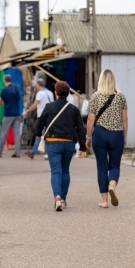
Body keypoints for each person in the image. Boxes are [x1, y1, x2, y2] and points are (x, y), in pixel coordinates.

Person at [35, 81, 87, 211]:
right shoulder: (74, 109)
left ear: (56, 93)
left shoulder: (49, 107)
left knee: (56, 170)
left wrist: (38, 134)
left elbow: (39, 123)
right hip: (69, 143)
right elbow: (81, 129)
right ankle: (63, 198)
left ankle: (57, 196)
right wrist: (82, 148)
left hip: (53, 142)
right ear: (68, 93)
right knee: (65, 170)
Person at [86, 69, 128, 208]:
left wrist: (88, 136)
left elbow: (91, 119)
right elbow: (125, 120)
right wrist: (124, 137)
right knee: (115, 165)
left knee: (102, 166)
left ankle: (104, 201)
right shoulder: (121, 97)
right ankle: (112, 186)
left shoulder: (95, 97)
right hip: (116, 134)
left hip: (100, 134)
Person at [22, 77, 54, 159]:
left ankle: (44, 153)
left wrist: (28, 111)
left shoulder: (40, 93)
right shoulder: (50, 93)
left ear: (38, 85)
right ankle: (33, 152)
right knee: (43, 135)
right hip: (50, 116)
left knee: (40, 134)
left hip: (42, 117)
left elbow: (36, 104)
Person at [0, 74, 22, 158]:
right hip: (17, 113)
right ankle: (17, 152)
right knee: (17, 134)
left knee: (4, 133)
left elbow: (0, 101)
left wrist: (3, 103)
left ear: (4, 80)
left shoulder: (4, 90)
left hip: (8, 114)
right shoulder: (17, 87)